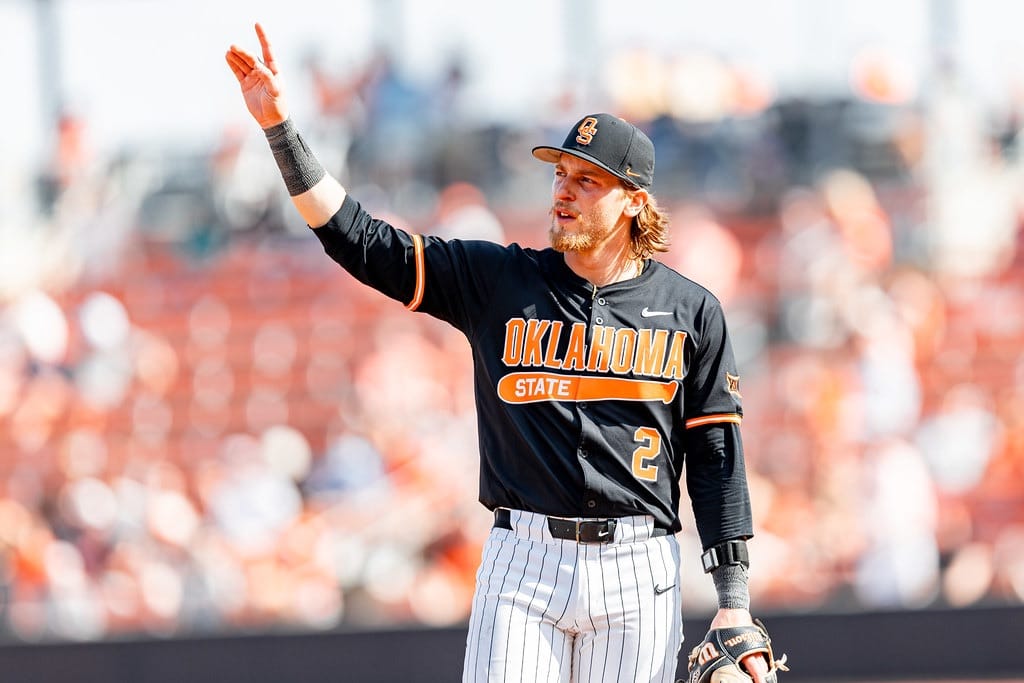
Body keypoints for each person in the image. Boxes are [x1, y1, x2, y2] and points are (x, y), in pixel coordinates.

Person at [226, 23, 771, 683]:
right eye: (560, 174)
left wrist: (733, 601)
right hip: (524, 563)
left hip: (638, 568)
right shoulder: (500, 281)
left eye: (587, 181)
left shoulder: (692, 310)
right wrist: (280, 129)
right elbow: (358, 240)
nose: (562, 190)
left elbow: (716, 459)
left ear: (634, 201)